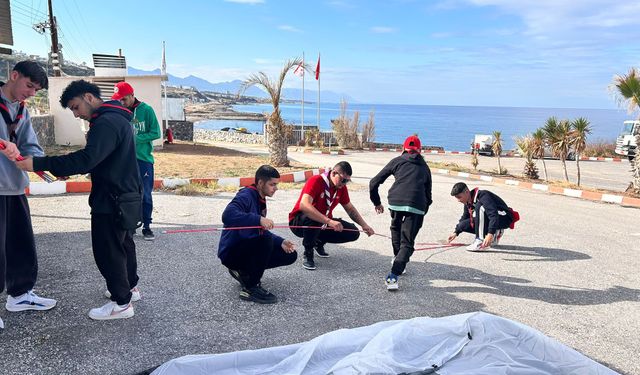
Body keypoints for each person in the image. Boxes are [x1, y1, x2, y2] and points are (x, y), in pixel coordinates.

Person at [15, 80, 142, 320]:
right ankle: (130, 288)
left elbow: (86, 159)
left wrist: (38, 163)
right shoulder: (117, 118)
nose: (76, 114)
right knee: (124, 245)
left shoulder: (105, 122)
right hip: (125, 195)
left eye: (75, 107)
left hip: (111, 198)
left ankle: (121, 303)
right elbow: (101, 159)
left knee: (108, 251)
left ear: (89, 97)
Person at [0, 61, 57, 329]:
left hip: (14, 186)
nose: (32, 93)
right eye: (29, 86)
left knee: (21, 244)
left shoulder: (22, 110)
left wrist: (46, 165)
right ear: (14, 76)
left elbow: (30, 145)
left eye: (36, 89)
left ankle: (20, 295)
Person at [218, 165, 297, 304]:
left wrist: (281, 241)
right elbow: (227, 215)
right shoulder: (246, 195)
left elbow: (258, 230)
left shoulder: (260, 198)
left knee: (290, 254)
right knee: (265, 239)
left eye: (276, 184)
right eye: (272, 184)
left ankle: (244, 272)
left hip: (246, 248)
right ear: (260, 183)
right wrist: (259, 219)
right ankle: (250, 288)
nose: (276, 188)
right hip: (231, 252)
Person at [369, 135, 432, 290]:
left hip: (395, 201)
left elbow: (373, 182)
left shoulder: (397, 161)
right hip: (417, 205)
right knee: (407, 243)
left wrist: (377, 202)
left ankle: (398, 260)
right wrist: (423, 211)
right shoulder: (424, 167)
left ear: (403, 148)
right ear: (420, 150)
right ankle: (393, 274)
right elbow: (428, 194)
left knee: (396, 228)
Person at [289, 161, 375, 270]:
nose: (344, 184)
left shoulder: (341, 188)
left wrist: (364, 225)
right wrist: (329, 221)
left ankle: (318, 242)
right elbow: (304, 206)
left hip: (322, 221)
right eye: (343, 180)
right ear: (334, 173)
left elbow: (350, 209)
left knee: (353, 233)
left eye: (347, 181)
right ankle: (308, 253)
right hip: (300, 221)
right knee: (316, 219)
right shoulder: (316, 180)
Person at [112, 82, 161, 241]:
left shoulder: (146, 110)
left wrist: (135, 139)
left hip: (143, 160)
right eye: (119, 99)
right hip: (124, 160)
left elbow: (156, 132)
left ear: (132, 95)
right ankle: (131, 225)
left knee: (145, 195)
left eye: (124, 99)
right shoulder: (119, 112)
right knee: (128, 194)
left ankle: (147, 226)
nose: (122, 102)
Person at [446, 182, 519, 251]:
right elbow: (465, 217)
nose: (458, 200)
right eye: (456, 198)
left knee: (480, 207)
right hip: (494, 218)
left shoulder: (483, 195)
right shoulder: (468, 201)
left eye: (459, 197)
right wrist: (456, 232)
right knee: (462, 225)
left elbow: (493, 214)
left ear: (467, 192)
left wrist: (490, 233)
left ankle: (480, 241)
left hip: (504, 218)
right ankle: (495, 234)